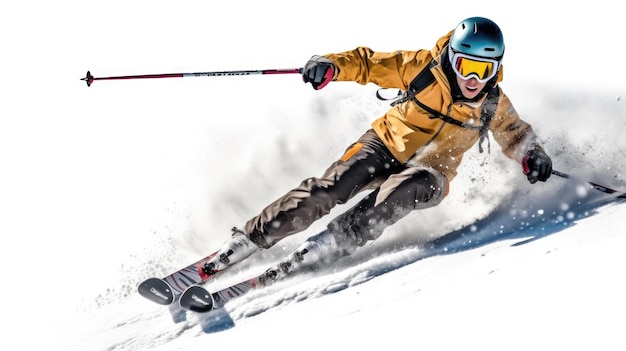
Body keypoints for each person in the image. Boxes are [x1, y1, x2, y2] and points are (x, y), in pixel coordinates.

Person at [202, 16, 553, 280]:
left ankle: (330, 243)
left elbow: (516, 133)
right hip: (386, 143)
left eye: (484, 69)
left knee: (399, 192)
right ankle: (249, 240)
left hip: (432, 171)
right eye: (466, 66)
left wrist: (533, 155)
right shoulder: (422, 68)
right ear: (452, 57)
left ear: (496, 68)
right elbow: (369, 63)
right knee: (332, 188)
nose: (473, 80)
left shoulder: (493, 102)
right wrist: (331, 65)